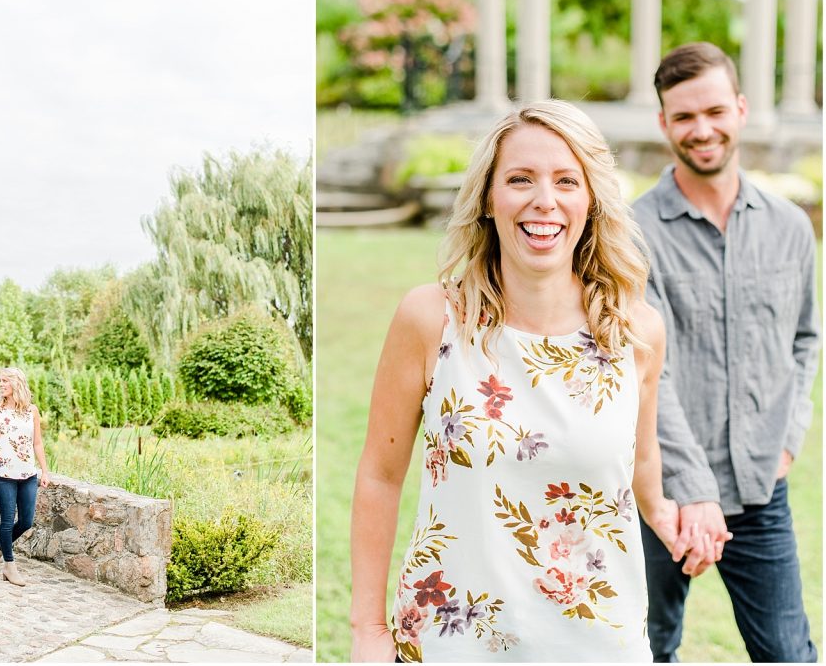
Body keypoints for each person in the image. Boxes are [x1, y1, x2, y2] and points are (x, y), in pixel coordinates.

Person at [350, 100, 710, 662]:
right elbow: (379, 473)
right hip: (453, 645)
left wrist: (667, 515)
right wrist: (368, 630)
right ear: (489, 200)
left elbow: (640, 460)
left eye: (567, 180)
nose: (545, 200)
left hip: (597, 644)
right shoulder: (431, 319)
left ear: (590, 201)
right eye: (520, 179)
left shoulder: (635, 331)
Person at [633, 42, 819, 663]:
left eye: (714, 110)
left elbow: (803, 339)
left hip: (761, 488)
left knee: (788, 654)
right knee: (642, 648)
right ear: (663, 123)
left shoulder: (791, 227)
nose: (701, 129)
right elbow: (640, 371)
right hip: (658, 493)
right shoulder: (632, 236)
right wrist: (691, 490)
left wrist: (787, 440)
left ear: (740, 110)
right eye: (683, 116)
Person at [0, 367, 51, 586]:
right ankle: (9, 566)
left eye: (5, 380)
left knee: (26, 521)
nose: (1, 384)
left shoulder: (31, 411)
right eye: (0, 381)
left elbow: (38, 442)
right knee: (6, 520)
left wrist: (45, 470)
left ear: (17, 383)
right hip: (2, 474)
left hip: (28, 474)